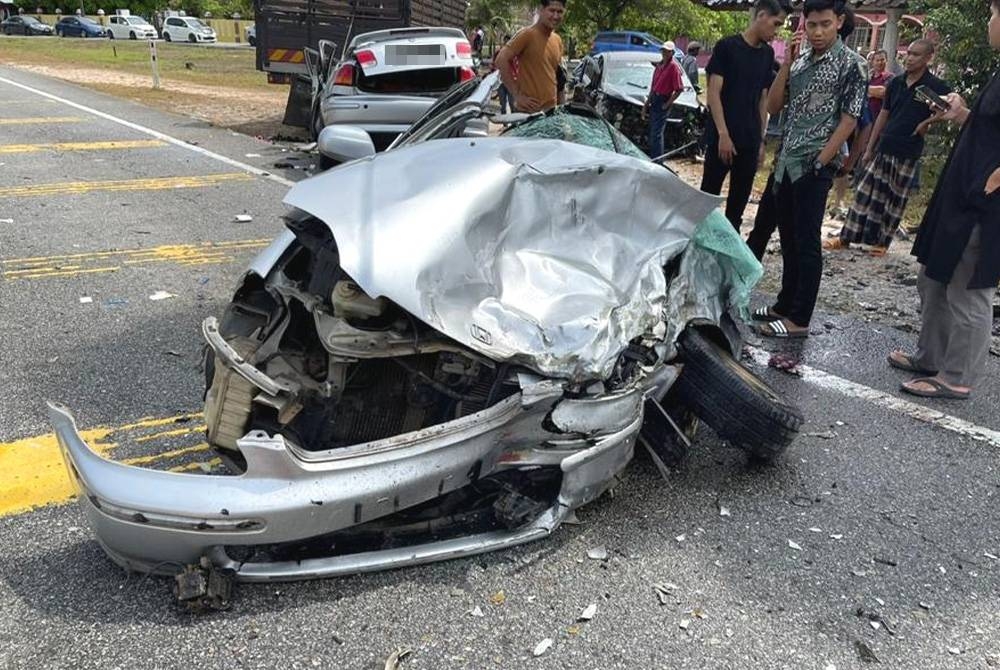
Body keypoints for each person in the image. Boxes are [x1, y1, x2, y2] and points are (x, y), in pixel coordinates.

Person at [889, 0, 1000, 400]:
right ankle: (929, 357)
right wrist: (961, 113)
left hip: (983, 203)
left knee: (968, 289)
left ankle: (957, 376)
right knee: (933, 275)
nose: (990, 23)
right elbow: (989, 129)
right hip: (959, 193)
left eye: (993, 15)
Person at [754, 0, 867, 338]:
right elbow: (774, 106)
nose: (818, 32)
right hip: (786, 163)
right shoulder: (801, 62)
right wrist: (787, 64)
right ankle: (784, 304)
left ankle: (799, 319)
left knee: (806, 243)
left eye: (825, 24)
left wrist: (821, 161)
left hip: (815, 167)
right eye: (812, 25)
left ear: (839, 22)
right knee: (787, 237)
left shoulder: (852, 65)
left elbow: (849, 121)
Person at [826, 39, 950, 255]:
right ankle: (846, 237)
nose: (910, 58)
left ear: (929, 58)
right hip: (885, 144)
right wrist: (870, 147)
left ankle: (882, 243)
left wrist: (926, 123)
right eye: (909, 53)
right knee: (865, 193)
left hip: (909, 149)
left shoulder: (936, 86)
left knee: (895, 198)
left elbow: (948, 111)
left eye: (916, 55)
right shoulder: (896, 82)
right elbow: (884, 114)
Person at [700, 0, 789, 230]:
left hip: (749, 142)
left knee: (736, 211)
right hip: (721, 139)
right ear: (761, 15)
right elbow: (713, 94)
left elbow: (762, 99)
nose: (776, 30)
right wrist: (723, 134)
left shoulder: (767, 55)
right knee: (706, 205)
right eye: (776, 23)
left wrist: (761, 141)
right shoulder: (726, 47)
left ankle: (729, 262)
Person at [495, 0, 565, 113]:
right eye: (552, 10)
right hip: (528, 113)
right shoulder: (527, 34)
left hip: (551, 112)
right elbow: (501, 60)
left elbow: (558, 78)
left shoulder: (557, 40)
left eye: (560, 11)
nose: (556, 16)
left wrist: (562, 109)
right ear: (541, 10)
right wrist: (517, 95)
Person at [643, 42, 685, 158]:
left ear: (672, 53)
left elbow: (679, 89)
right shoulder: (659, 66)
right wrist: (646, 104)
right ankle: (653, 158)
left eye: (667, 51)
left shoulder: (673, 67)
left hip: (663, 100)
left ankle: (657, 161)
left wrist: (667, 104)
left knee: (657, 134)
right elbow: (653, 86)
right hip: (654, 100)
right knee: (652, 132)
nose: (665, 53)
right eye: (663, 51)